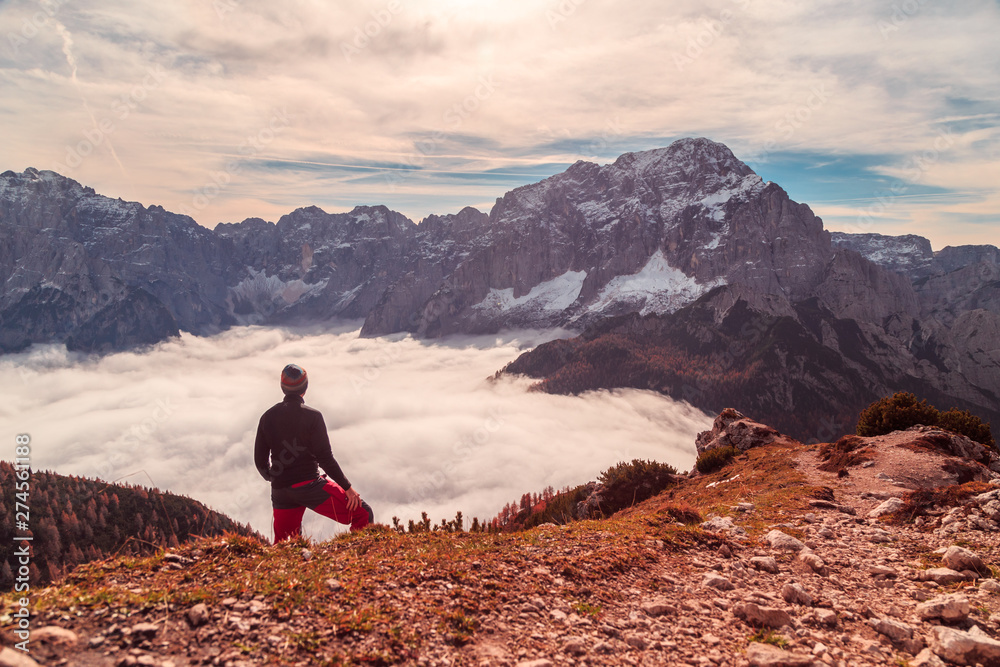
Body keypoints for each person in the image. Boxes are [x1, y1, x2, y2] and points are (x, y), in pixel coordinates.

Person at [254, 364, 373, 542]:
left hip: (281, 491)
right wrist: (347, 488)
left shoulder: (267, 417)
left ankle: (287, 569)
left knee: (286, 546)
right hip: (309, 486)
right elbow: (325, 458)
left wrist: (275, 478)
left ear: (282, 387)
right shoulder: (313, 417)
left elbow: (260, 461)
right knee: (363, 513)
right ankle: (355, 560)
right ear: (305, 388)